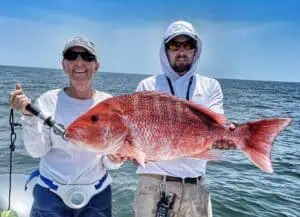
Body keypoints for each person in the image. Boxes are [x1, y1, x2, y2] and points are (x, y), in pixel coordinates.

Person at [8, 36, 124, 217]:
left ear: (96, 66)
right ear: (64, 65)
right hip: (50, 195)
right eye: (72, 56)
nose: (79, 61)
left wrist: (116, 158)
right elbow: (37, 151)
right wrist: (28, 116)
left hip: (96, 196)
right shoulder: (47, 100)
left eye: (87, 56)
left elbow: (109, 163)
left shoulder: (109, 104)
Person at [134, 21, 236, 217]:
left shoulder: (211, 86)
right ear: (165, 51)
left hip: (195, 186)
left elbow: (217, 125)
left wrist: (226, 135)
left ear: (196, 50)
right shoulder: (147, 86)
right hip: (155, 185)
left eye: (187, 45)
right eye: (174, 45)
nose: (181, 51)